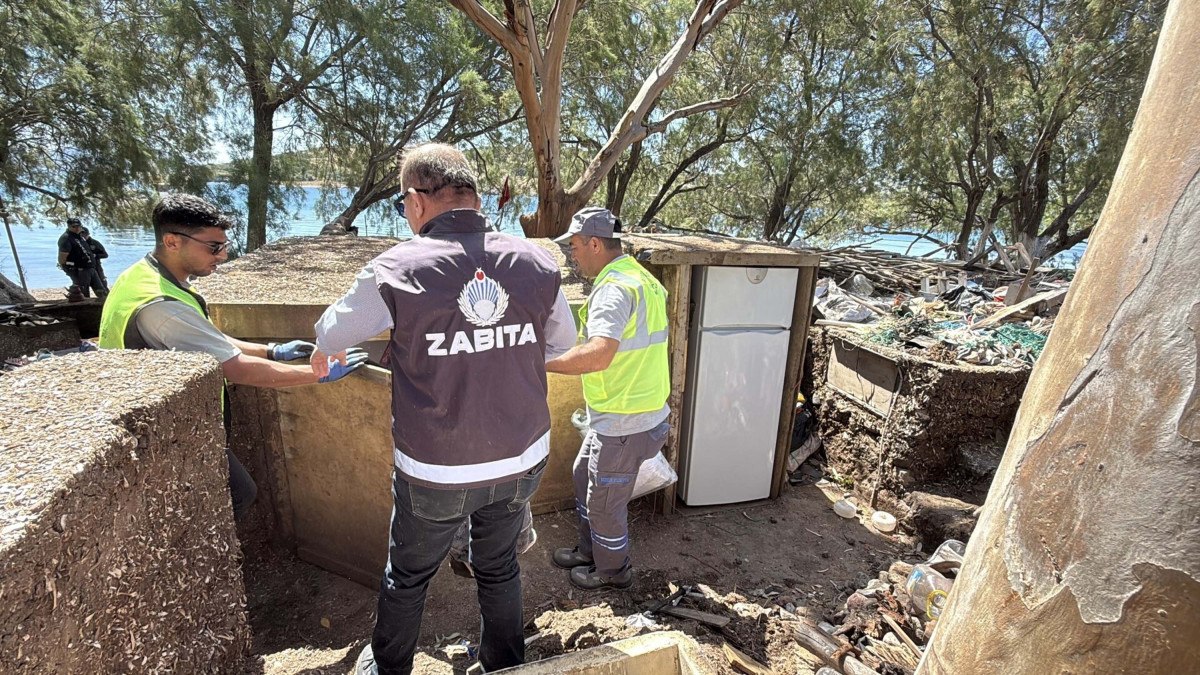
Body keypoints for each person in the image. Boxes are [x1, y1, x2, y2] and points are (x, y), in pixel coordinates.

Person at [311, 143, 576, 675]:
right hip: (521, 457)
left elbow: (332, 334)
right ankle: (504, 664)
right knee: (498, 567)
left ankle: (389, 669)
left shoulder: (394, 268)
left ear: (415, 201)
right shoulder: (537, 261)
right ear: (473, 198)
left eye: (402, 206)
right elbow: (561, 342)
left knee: (408, 576)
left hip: (437, 468)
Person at [98, 193, 366, 520]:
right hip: (163, 431)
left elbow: (206, 338)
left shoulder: (142, 277)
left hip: (148, 413)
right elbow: (235, 368)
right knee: (238, 495)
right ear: (171, 241)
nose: (223, 256)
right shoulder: (162, 306)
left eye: (224, 246)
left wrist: (271, 350)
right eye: (213, 247)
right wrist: (318, 374)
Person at [548, 207, 671, 591]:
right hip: (634, 413)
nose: (572, 254)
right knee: (583, 474)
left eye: (574, 246)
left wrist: (540, 362)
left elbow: (599, 354)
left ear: (595, 244)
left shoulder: (614, 289)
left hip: (625, 422)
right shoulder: (642, 279)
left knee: (604, 504)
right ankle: (591, 552)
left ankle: (614, 572)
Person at [57, 217, 106, 298]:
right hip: (80, 270)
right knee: (84, 294)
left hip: (91, 268)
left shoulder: (79, 236)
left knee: (101, 292)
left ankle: (103, 304)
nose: (77, 228)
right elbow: (62, 257)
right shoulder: (66, 238)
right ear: (69, 226)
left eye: (78, 226)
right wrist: (68, 269)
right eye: (74, 226)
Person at [81, 227, 110, 292]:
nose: (83, 237)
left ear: (88, 234)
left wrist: (95, 255)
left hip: (96, 266)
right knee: (85, 285)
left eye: (85, 235)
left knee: (102, 283)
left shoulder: (94, 243)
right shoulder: (80, 243)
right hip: (86, 267)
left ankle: (106, 295)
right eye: (82, 235)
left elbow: (105, 255)